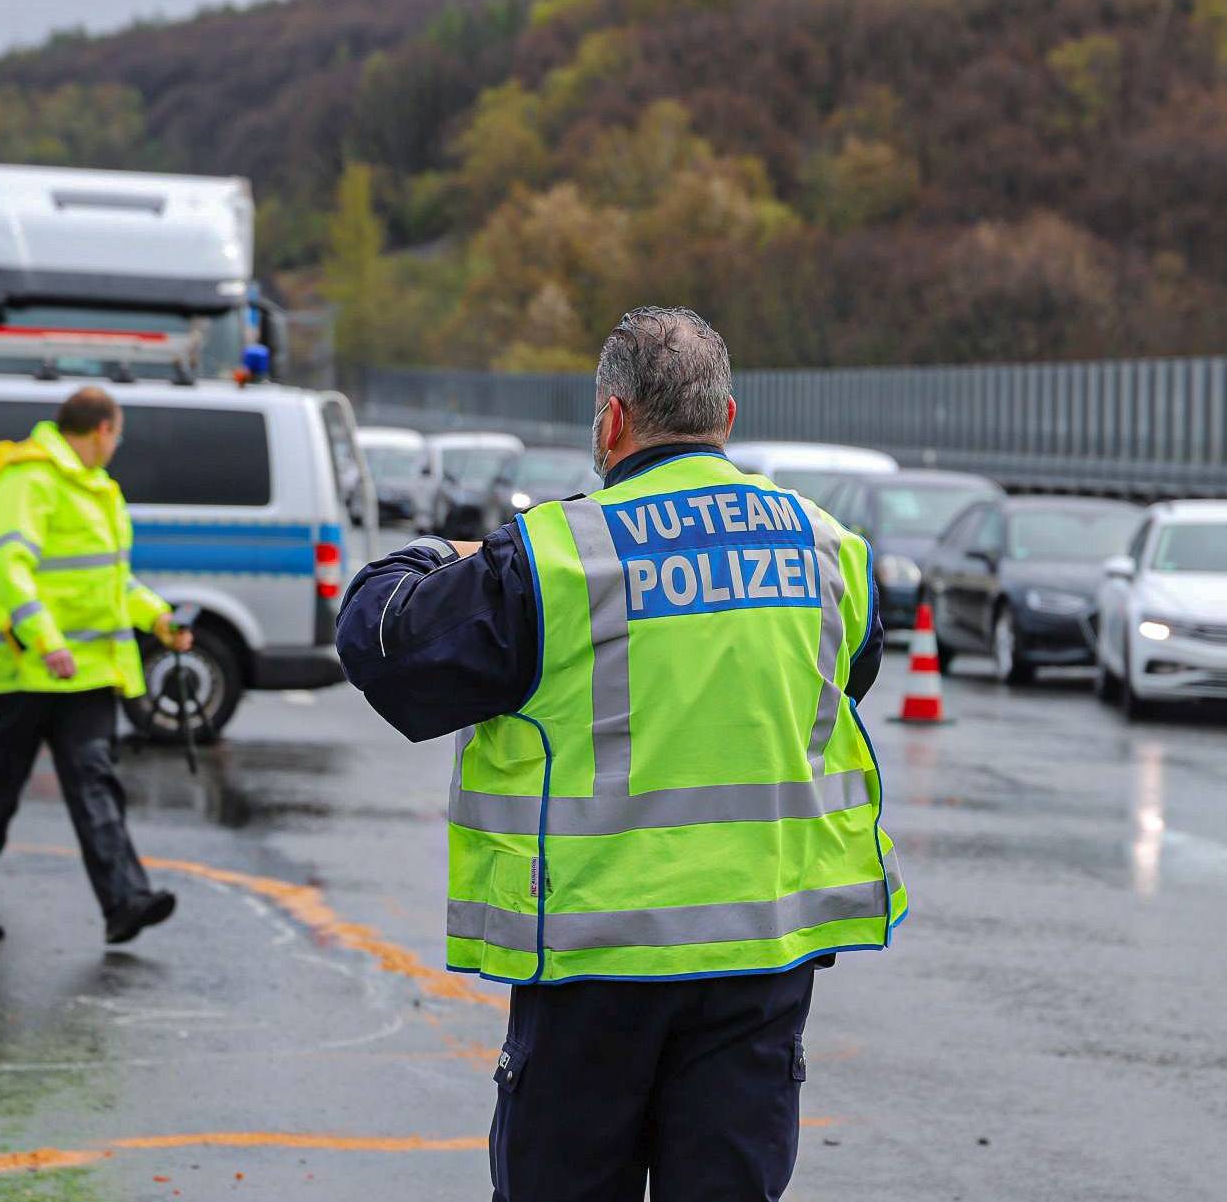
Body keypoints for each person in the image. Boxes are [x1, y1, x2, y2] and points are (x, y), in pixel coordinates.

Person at [336, 307, 907, 1202]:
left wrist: (432, 555)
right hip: (761, 958)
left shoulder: (558, 557)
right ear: (726, 418)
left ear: (611, 421)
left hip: (594, 965)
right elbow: (841, 681)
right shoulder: (831, 549)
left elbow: (384, 644)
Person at [0, 386, 191, 944]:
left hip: (85, 673)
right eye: (117, 434)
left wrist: (158, 619)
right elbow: (9, 567)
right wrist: (46, 640)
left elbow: (109, 582)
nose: (116, 444)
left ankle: (125, 901)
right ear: (102, 430)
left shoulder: (97, 489)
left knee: (96, 785)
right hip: (18, 670)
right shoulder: (29, 479)